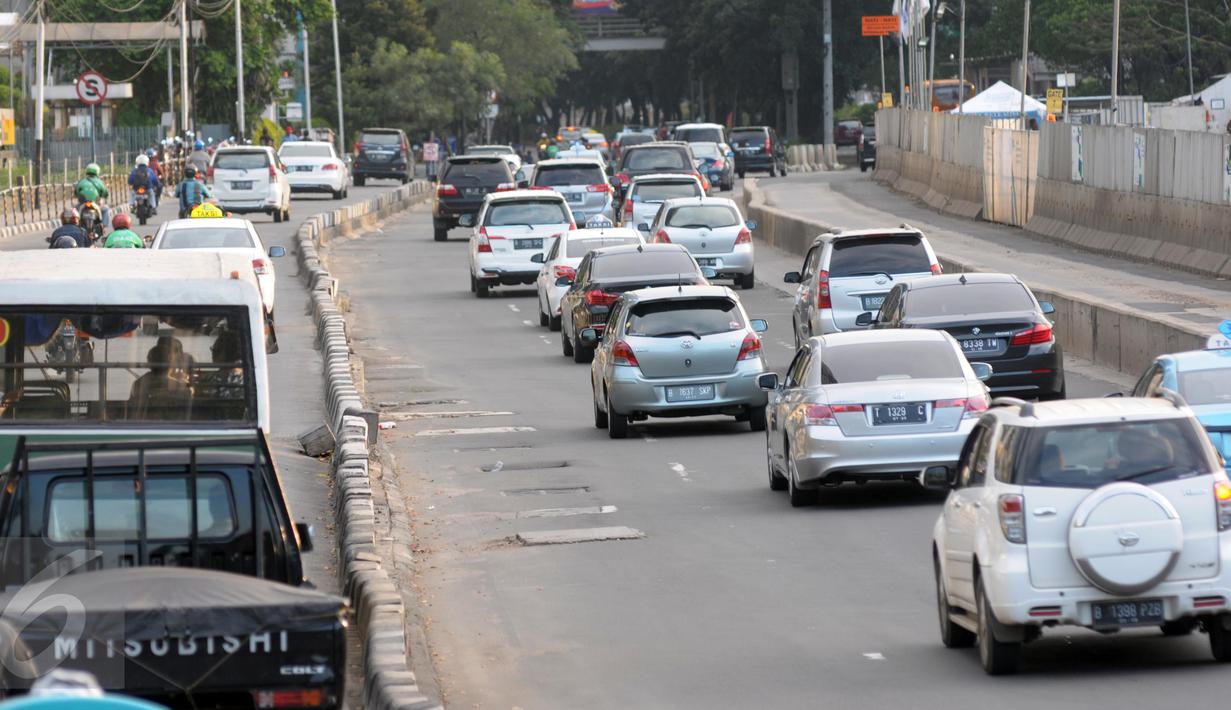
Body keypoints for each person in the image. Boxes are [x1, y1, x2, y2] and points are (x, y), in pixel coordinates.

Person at [128, 341, 192, 420]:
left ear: (149, 362)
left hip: (144, 426)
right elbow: (187, 415)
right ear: (170, 363)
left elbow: (132, 409)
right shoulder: (180, 387)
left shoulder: (138, 384)